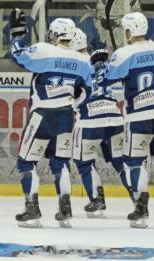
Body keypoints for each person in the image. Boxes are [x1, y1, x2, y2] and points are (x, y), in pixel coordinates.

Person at [96, 12, 154, 228]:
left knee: (134, 163)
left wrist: (103, 63)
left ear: (129, 31)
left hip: (139, 115)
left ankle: (141, 207)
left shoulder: (123, 53)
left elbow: (104, 80)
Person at [7, 14, 94, 228]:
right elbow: (86, 92)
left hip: (43, 114)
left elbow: (17, 55)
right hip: (66, 116)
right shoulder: (83, 60)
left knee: (26, 161)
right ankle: (66, 208)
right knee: (60, 162)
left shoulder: (44, 49)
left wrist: (17, 34)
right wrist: (72, 104)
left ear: (55, 34)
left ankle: (32, 208)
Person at [69, 28, 130, 217]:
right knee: (120, 162)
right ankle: (138, 198)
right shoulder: (99, 62)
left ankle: (97, 199)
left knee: (84, 161)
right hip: (114, 116)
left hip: (91, 120)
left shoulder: (71, 65)